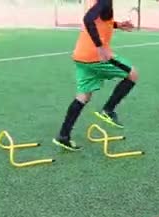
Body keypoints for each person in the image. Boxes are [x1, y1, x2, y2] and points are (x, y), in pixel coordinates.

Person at [53, 0, 138, 151]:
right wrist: (99, 47)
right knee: (132, 74)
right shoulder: (105, 1)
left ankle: (63, 136)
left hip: (81, 57)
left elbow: (100, 21)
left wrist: (118, 25)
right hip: (95, 57)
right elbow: (88, 19)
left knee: (83, 96)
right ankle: (108, 110)